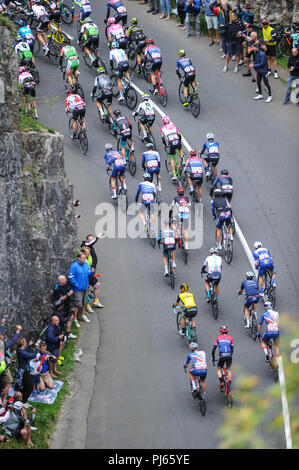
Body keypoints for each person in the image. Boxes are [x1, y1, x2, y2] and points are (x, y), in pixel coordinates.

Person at [0, 320, 22, 405]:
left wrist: (2, 324)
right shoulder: (3, 345)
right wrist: (18, 331)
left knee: (8, 381)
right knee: (8, 381)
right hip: (3, 367)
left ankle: (3, 399)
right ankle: (3, 399)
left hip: (3, 367)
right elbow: (13, 341)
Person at [68, 251, 93, 325]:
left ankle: (83, 315)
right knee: (77, 305)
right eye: (82, 258)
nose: (84, 260)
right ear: (78, 258)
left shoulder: (85, 264)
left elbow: (88, 273)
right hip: (78, 289)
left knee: (84, 303)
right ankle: (75, 319)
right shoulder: (74, 266)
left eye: (85, 258)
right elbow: (70, 277)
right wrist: (77, 285)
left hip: (85, 287)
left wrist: (92, 272)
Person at [15, 337, 39, 403]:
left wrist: (29, 345)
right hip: (24, 372)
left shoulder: (20, 350)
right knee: (29, 388)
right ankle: (23, 401)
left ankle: (21, 399)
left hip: (24, 370)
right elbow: (32, 356)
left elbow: (25, 352)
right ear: (23, 344)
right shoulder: (22, 353)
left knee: (25, 386)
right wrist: (36, 348)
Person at [160, 115, 183, 181]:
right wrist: (180, 142)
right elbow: (179, 135)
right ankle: (183, 160)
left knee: (171, 158)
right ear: (169, 121)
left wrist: (165, 145)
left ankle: (174, 175)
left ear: (163, 122)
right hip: (177, 141)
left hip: (171, 143)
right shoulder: (174, 126)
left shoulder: (162, 128)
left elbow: (163, 138)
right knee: (180, 148)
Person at [212, 325, 234, 391]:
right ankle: (229, 384)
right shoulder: (231, 338)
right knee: (228, 368)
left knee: (219, 368)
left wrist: (213, 357)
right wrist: (230, 355)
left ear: (221, 332)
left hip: (221, 355)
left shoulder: (218, 338)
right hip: (229, 355)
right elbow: (232, 348)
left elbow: (214, 349)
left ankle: (222, 381)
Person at [170, 186, 191, 250]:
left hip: (179, 215)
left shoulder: (175, 198)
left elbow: (172, 207)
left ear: (177, 192)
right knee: (185, 229)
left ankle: (176, 234)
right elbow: (189, 207)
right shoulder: (188, 199)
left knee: (172, 223)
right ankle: (186, 245)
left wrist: (170, 215)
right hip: (186, 215)